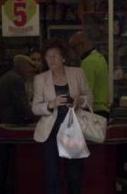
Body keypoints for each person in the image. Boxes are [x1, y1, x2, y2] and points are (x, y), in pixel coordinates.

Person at [32, 39, 92, 194]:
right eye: (48, 57)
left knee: (74, 172)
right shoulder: (40, 79)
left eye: (55, 56)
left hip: (72, 128)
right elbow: (35, 107)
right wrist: (51, 104)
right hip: (50, 130)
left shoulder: (77, 73)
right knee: (52, 172)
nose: (51, 60)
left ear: (64, 58)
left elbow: (89, 97)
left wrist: (79, 101)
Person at [0, 54, 38, 194]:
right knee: (6, 165)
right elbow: (21, 106)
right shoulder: (16, 80)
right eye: (30, 69)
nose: (30, 73)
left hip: (1, 126)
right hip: (7, 128)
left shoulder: (9, 77)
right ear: (23, 67)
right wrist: (35, 118)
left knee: (3, 165)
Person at [69, 31, 110, 119]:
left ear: (82, 44)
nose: (73, 52)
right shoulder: (100, 58)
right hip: (103, 110)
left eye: (74, 48)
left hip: (93, 112)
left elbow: (85, 93)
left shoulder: (88, 62)